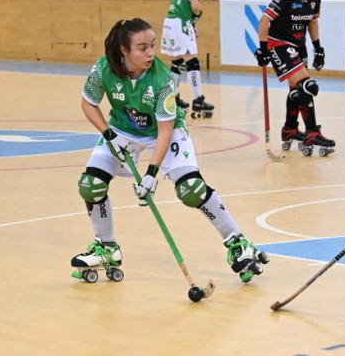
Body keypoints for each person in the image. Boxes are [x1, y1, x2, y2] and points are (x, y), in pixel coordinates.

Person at [71, 18, 268, 284]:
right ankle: (107, 248)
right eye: (142, 48)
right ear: (124, 50)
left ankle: (238, 242)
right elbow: (88, 104)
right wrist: (109, 135)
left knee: (191, 190)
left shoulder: (162, 78)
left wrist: (151, 175)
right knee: (91, 185)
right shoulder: (103, 68)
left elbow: (165, 131)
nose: (151, 53)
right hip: (122, 131)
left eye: (152, 46)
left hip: (165, 132)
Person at [254, 0, 336, 156]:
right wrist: (263, 49)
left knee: (297, 90)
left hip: (300, 46)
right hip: (279, 45)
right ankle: (312, 132)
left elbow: (313, 22)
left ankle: (290, 129)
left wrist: (318, 48)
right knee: (308, 85)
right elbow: (265, 20)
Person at [160, 0, 214, 118]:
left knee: (176, 62)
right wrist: (196, 17)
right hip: (181, 23)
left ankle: (173, 98)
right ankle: (198, 100)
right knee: (192, 62)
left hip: (169, 22)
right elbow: (195, 6)